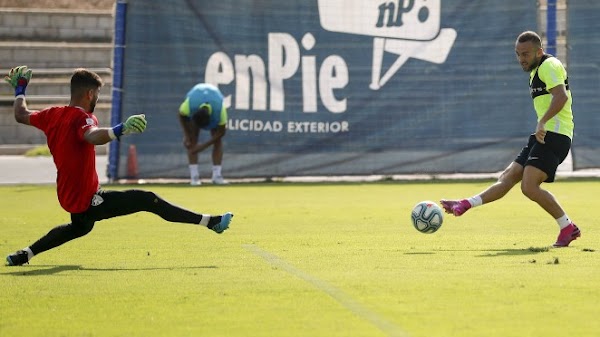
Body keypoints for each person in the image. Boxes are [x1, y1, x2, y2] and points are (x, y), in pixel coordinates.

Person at [4, 66, 233, 266]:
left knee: (80, 227)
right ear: (89, 93)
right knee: (148, 199)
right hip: (86, 198)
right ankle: (210, 222)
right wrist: (119, 129)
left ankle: (25, 254)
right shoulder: (83, 118)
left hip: (66, 193)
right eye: (97, 95)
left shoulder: (52, 115)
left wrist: (20, 89)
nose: (97, 100)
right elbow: (92, 136)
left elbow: (21, 114)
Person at [440, 31, 579, 248]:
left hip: (555, 135)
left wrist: (542, 121)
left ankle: (567, 227)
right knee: (508, 177)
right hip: (543, 135)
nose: (521, 59)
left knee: (529, 187)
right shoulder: (535, 72)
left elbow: (561, 96)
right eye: (518, 54)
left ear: (539, 52)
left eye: (526, 54)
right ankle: (465, 204)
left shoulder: (549, 65)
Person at [178, 83, 228, 186]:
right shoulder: (189, 105)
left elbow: (221, 132)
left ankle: (217, 176)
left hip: (214, 95)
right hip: (197, 93)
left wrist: (202, 147)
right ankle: (194, 177)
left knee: (217, 140)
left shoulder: (220, 110)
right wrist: (187, 135)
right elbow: (181, 115)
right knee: (192, 139)